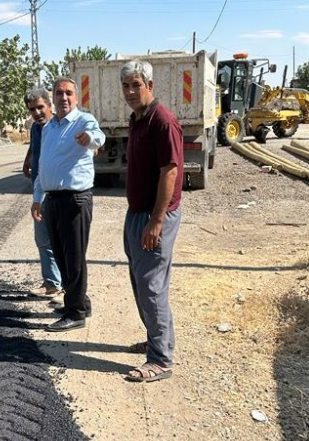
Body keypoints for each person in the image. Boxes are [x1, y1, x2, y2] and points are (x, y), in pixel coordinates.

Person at [120, 60, 183, 382]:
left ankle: (160, 359)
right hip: (137, 214)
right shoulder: (137, 120)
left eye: (136, 85)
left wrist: (156, 222)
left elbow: (169, 172)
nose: (131, 92)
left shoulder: (163, 121)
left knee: (151, 285)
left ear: (150, 86)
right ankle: (157, 339)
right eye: (126, 86)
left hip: (155, 216)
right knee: (141, 283)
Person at [31, 77, 105, 332]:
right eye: (59, 93)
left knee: (74, 258)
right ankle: (80, 302)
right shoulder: (49, 127)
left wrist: (90, 139)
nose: (64, 97)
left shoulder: (84, 120)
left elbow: (99, 136)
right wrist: (38, 197)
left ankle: (75, 313)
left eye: (68, 93)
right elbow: (43, 165)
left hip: (75, 200)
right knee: (62, 256)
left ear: (76, 97)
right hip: (52, 199)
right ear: (53, 97)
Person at [22, 87, 64, 304]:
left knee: (62, 240)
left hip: (57, 191)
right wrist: (28, 159)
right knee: (43, 239)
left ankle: (66, 289)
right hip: (40, 189)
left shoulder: (58, 127)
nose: (37, 113)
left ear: (49, 105)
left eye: (40, 107)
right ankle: (51, 284)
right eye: (32, 110)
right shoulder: (36, 129)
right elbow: (34, 147)